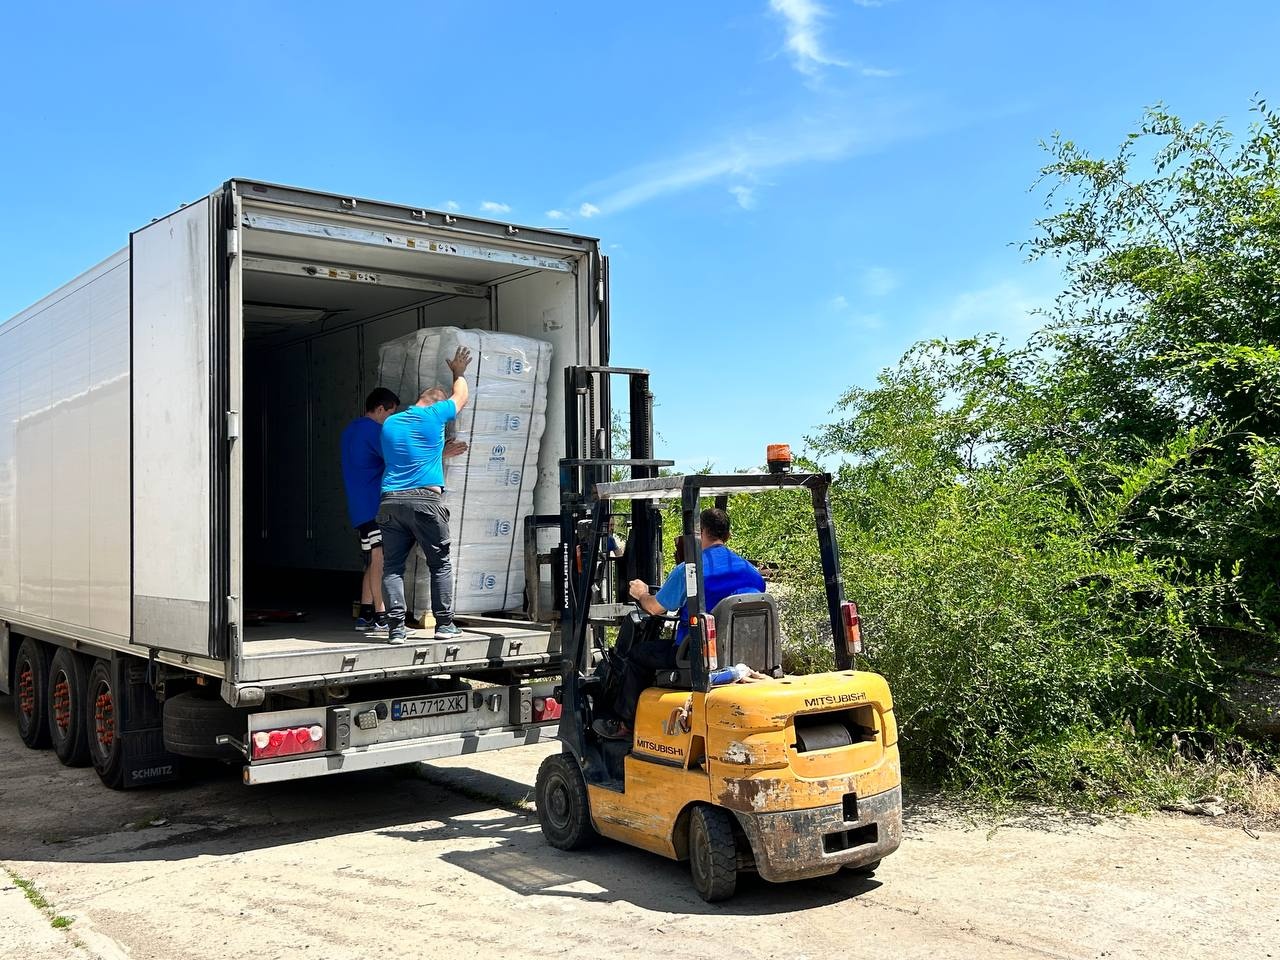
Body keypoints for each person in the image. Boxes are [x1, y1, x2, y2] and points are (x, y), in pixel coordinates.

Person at [593, 507, 765, 739]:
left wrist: (642, 594)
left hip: (696, 656)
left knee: (637, 654)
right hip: (741, 653)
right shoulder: (751, 572)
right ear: (728, 535)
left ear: (699, 532)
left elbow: (655, 608)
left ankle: (626, 725)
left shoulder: (689, 570)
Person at [378, 346, 473, 644]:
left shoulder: (391, 422)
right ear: (436, 403)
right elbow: (461, 397)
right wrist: (458, 372)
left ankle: (396, 629)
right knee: (439, 563)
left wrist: (440, 452)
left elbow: (407, 456)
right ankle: (444, 625)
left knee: (392, 567)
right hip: (424, 502)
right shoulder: (435, 414)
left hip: (391, 501)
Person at [340, 387, 400, 633]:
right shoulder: (374, 431)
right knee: (380, 561)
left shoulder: (350, 430)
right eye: (391, 414)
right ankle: (381, 615)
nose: (390, 420)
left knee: (372, 560)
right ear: (380, 409)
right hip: (374, 506)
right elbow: (398, 457)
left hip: (359, 507)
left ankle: (365, 614)